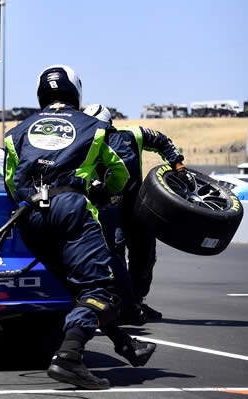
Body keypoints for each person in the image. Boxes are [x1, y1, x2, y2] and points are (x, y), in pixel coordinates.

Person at [3, 65, 156, 389]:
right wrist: (103, 191)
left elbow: (10, 181)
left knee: (79, 291)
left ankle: (127, 345)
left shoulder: (16, 132)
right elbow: (124, 172)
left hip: (28, 217)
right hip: (72, 210)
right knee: (100, 289)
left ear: (41, 94)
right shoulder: (95, 127)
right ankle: (69, 357)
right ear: (76, 92)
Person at [83, 103, 189, 320]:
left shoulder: (134, 134)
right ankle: (119, 303)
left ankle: (136, 301)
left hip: (137, 205)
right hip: (106, 208)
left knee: (146, 255)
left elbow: (162, 141)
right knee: (116, 253)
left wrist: (178, 166)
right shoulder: (82, 145)